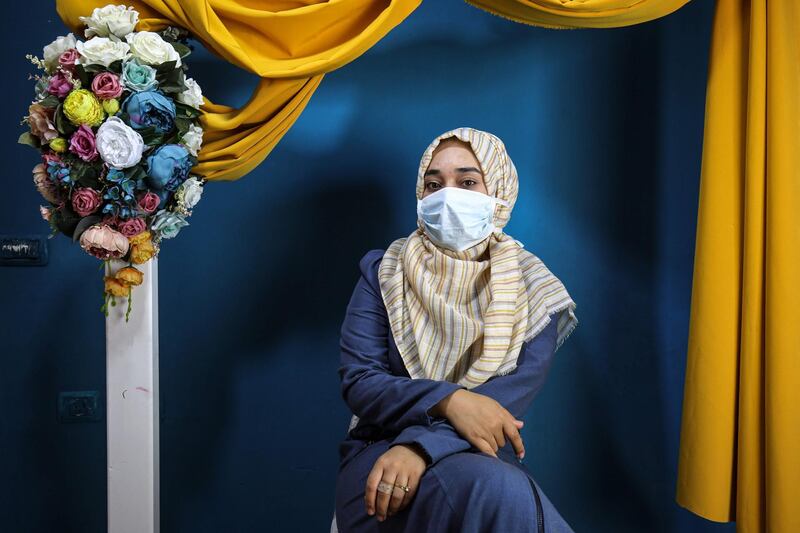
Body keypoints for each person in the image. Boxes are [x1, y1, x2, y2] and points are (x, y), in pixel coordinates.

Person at [334, 127, 579, 532]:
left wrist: (419, 447)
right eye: (433, 184)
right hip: (379, 458)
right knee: (500, 492)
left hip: (473, 455)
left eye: (467, 182)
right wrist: (450, 401)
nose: (447, 196)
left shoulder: (535, 292)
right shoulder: (384, 272)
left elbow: (505, 406)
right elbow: (361, 382)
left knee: (498, 490)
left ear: (498, 193)